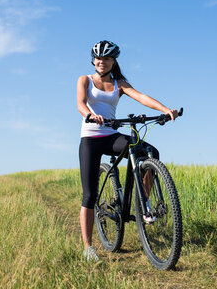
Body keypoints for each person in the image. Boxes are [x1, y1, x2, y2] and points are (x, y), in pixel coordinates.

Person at [76, 40, 178, 263]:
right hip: (91, 138)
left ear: (114, 61)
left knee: (149, 151)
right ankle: (88, 247)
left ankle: (144, 204)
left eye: (107, 58)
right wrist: (90, 115)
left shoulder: (118, 83)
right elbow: (81, 103)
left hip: (111, 136)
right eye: (99, 58)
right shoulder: (85, 80)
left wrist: (165, 110)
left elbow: (141, 97)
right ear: (93, 60)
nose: (102, 62)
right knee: (89, 195)